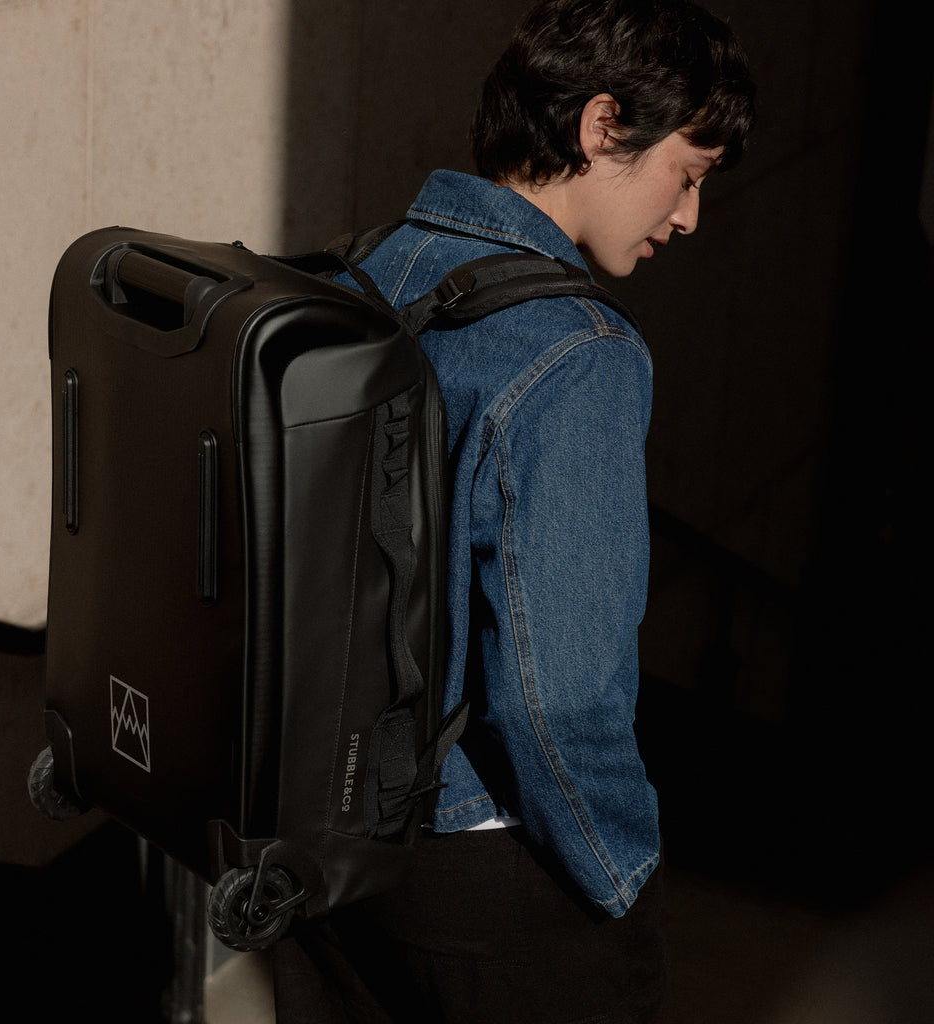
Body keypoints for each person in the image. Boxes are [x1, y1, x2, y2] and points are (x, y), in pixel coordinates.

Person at [272, 1, 755, 1020]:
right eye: (688, 172)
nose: (688, 217)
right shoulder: (579, 354)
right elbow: (558, 698)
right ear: (601, 124)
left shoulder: (357, 272)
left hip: (321, 841)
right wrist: (622, 871)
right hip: (485, 868)